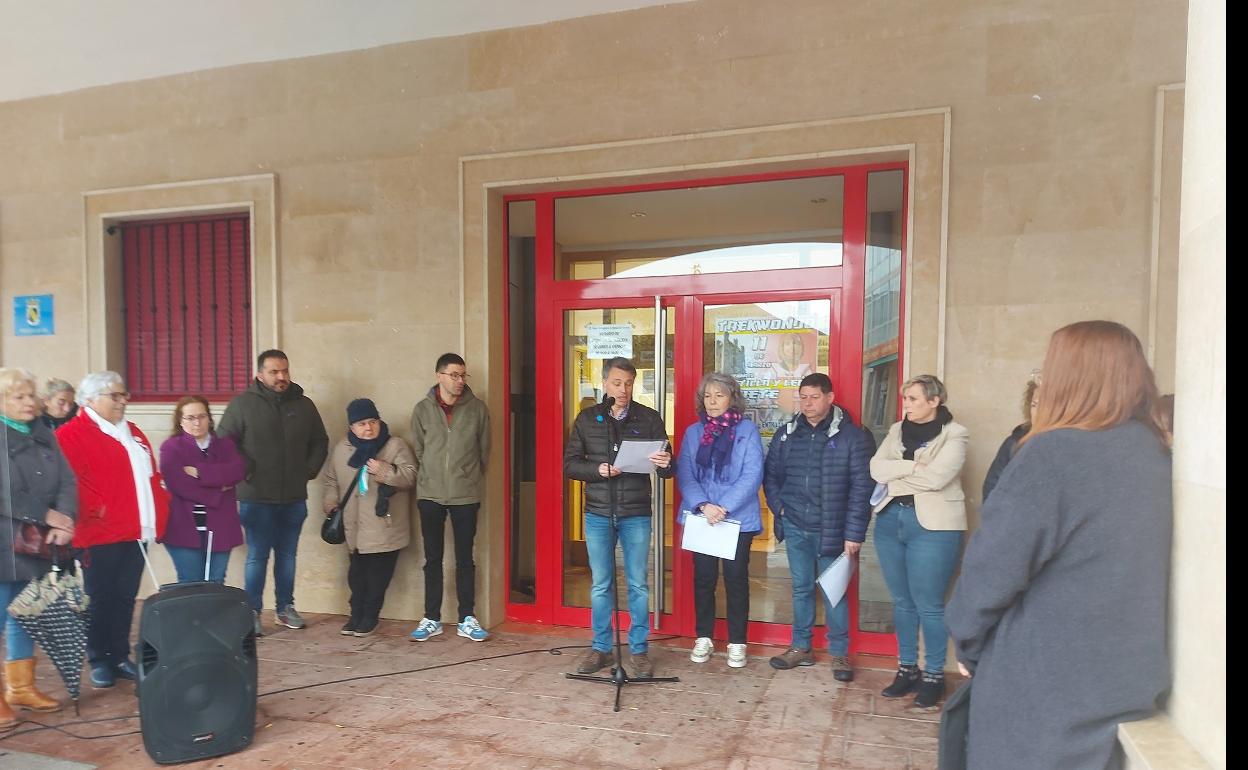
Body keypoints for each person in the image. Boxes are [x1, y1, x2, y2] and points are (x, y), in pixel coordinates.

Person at [946, 321, 1172, 770]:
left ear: (1070, 377)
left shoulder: (1054, 453)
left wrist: (969, 644)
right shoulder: (1152, 452)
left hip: (1045, 687)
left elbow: (991, 572)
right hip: (1121, 679)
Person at [57, 371, 169, 690]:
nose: (123, 401)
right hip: (99, 533)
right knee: (100, 597)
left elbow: (151, 476)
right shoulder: (70, 435)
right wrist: (96, 509)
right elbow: (69, 484)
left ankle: (119, 655)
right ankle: (99, 659)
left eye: (124, 396)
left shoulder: (133, 432)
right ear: (90, 399)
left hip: (135, 530)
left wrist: (160, 511)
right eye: (115, 396)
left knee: (125, 596)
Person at [563, 357, 674, 677]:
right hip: (598, 512)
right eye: (616, 383)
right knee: (601, 584)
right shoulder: (587, 419)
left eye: (628, 383)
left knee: (638, 583)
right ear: (604, 383)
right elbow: (570, 465)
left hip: (636, 513)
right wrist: (597, 470)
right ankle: (601, 648)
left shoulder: (649, 418)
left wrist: (666, 461)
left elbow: (669, 469)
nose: (623, 390)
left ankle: (638, 651)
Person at [762, 373, 875, 681]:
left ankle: (839, 654)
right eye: (803, 397)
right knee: (800, 588)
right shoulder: (788, 434)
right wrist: (780, 507)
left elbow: (862, 488)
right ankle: (801, 647)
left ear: (830, 397)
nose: (807, 404)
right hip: (796, 524)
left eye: (813, 397)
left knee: (833, 592)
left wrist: (854, 533)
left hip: (833, 530)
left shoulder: (852, 437)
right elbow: (771, 476)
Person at [868, 374, 968, 707]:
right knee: (902, 601)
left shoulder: (956, 435)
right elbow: (876, 468)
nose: (906, 405)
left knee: (929, 604)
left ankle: (934, 675)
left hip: (934, 527)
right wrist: (912, 465)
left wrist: (897, 473)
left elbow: (938, 477)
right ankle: (907, 668)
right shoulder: (897, 430)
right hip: (889, 521)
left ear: (934, 401)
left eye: (912, 399)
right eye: (905, 398)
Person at [218, 350, 328, 636]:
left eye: (285, 371)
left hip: (293, 497)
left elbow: (320, 441)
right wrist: (247, 470)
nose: (281, 377)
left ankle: (285, 608)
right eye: (274, 372)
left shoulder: (304, 405)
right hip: (256, 498)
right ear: (260, 374)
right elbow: (224, 444)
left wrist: (308, 470)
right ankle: (252, 612)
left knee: (288, 556)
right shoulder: (242, 405)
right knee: (257, 557)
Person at [0, 368, 76, 723]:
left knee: (25, 615)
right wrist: (49, 516)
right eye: (19, 396)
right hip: (4, 542)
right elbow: (6, 494)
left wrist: (64, 518)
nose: (29, 402)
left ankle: (21, 688)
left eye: (31, 395)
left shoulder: (45, 433)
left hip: (36, 544)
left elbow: (67, 480)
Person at [676, 372, 764, 668]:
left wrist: (723, 507)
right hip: (703, 516)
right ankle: (704, 636)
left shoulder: (747, 430)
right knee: (704, 579)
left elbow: (752, 475)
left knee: (736, 579)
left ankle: (737, 642)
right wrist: (703, 504)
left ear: (732, 398)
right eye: (708, 396)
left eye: (719, 395)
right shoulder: (692, 432)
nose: (713, 401)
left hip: (735, 519)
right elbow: (685, 472)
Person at [407, 354, 492, 643]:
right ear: (439, 376)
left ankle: (466, 617)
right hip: (430, 493)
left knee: (465, 558)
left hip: (465, 494)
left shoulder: (478, 409)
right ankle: (432, 617)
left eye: (462, 376)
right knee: (433, 558)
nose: (459, 381)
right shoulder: (422, 410)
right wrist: (431, 474)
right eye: (454, 375)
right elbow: (419, 449)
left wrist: (467, 476)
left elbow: (484, 452)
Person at [323, 399, 416, 637]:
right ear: (352, 427)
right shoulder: (343, 448)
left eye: (373, 422)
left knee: (377, 577)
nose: (368, 428)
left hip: (384, 525)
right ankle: (355, 616)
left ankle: (369, 617)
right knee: (356, 576)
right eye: (362, 423)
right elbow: (332, 480)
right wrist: (331, 504)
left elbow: (410, 477)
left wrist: (384, 470)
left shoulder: (394, 446)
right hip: (354, 527)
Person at [159, 396, 246, 584]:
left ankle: (213, 616)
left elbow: (238, 471)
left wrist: (200, 472)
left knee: (216, 582)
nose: (197, 422)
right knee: (190, 583)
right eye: (190, 418)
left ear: (209, 418)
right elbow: (179, 484)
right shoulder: (171, 448)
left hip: (220, 528)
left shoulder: (226, 446)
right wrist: (218, 490)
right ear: (180, 421)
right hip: (183, 528)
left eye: (202, 416)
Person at [981, 373, 1040, 502]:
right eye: (1034, 405)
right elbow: (992, 488)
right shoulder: (1015, 441)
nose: (1038, 412)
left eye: (1047, 405)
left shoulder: (1070, 444)